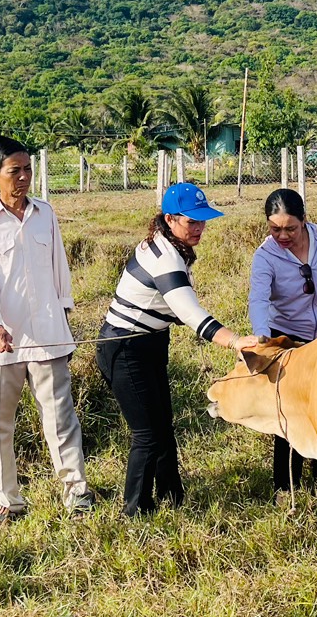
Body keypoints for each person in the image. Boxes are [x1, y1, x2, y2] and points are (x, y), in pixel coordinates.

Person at [97, 182, 259, 516]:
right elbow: (189, 313)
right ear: (170, 219)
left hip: (150, 342)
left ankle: (173, 497)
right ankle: (135, 512)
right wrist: (235, 340)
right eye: (191, 221)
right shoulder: (166, 257)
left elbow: (177, 309)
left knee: (163, 426)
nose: (199, 227)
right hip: (124, 346)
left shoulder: (167, 244)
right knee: (147, 434)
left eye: (202, 220)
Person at [0, 137, 92, 526]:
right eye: (13, 171)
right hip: (1, 346)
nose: (23, 178)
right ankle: (9, 501)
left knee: (61, 419)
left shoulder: (45, 215)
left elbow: (59, 275)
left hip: (48, 337)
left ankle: (77, 495)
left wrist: (64, 322)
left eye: (27, 169)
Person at [247, 188, 317, 495]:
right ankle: (286, 485)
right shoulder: (265, 256)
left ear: (304, 221)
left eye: (290, 228)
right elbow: (258, 297)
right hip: (288, 338)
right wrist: (262, 335)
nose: (283, 235)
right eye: (275, 229)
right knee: (290, 412)